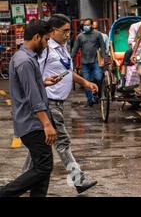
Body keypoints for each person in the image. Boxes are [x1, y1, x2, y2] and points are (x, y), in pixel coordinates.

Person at [22, 14, 98, 194]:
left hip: (59, 103)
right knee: (62, 141)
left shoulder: (63, 48)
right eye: (64, 31)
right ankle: (78, 179)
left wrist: (85, 83)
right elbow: (33, 75)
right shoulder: (45, 49)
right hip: (48, 103)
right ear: (53, 31)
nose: (67, 35)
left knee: (41, 145)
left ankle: (24, 179)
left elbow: (67, 72)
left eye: (68, 31)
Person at [0, 20, 59, 197]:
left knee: (42, 170)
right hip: (32, 123)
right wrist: (46, 124)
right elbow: (33, 97)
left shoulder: (21, 57)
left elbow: (27, 87)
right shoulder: (25, 61)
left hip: (31, 122)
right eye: (46, 40)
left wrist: (43, 83)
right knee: (44, 167)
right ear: (36, 37)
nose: (46, 44)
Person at [71, 18, 106, 107]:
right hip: (85, 62)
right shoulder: (80, 36)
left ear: (92, 25)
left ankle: (97, 94)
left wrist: (104, 58)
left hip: (96, 61)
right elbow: (75, 48)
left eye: (88, 25)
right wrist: (71, 58)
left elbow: (103, 47)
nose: (86, 26)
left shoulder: (98, 35)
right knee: (86, 82)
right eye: (85, 25)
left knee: (98, 78)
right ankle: (90, 101)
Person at [118, 8, 141, 89]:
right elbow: (131, 41)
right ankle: (123, 80)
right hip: (136, 49)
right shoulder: (134, 26)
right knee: (127, 55)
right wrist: (138, 48)